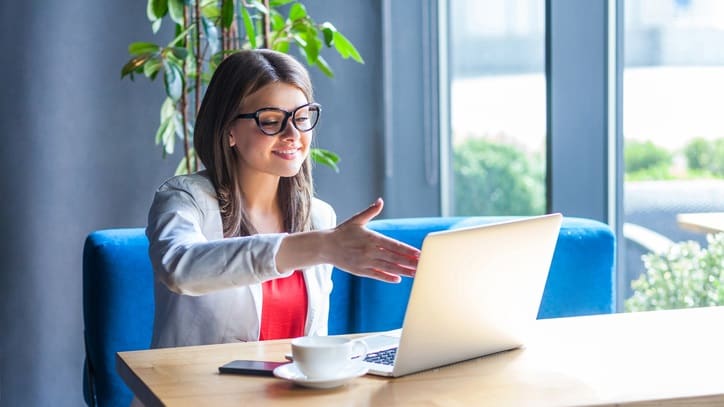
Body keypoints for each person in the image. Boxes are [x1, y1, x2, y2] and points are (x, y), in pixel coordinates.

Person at [145, 49, 420, 349]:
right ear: (229, 131)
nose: (293, 133)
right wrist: (320, 246)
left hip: (290, 392)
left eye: (302, 118)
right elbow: (180, 269)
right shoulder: (185, 199)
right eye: (272, 120)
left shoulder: (318, 217)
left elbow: (313, 342)